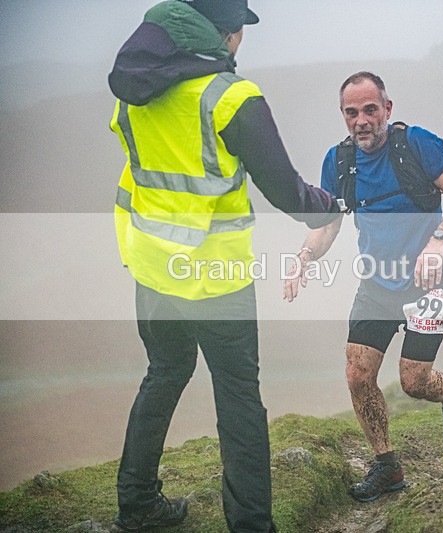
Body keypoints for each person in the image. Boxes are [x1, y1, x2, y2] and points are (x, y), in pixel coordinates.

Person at [108, 1, 340, 531]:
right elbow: (287, 192)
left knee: (165, 372)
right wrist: (330, 207)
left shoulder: (135, 90)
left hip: (151, 265)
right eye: (239, 31)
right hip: (215, 275)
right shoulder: (231, 97)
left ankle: (137, 505)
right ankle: (251, 525)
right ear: (226, 34)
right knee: (238, 395)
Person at [283, 71, 443, 502]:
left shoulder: (417, 145)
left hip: (432, 281)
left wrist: (438, 241)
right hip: (377, 282)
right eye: (351, 112)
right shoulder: (339, 162)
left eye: (370, 109)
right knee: (358, 374)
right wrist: (304, 257)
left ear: (387, 109)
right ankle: (387, 465)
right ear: (343, 115)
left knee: (414, 382)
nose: (361, 120)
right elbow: (328, 224)